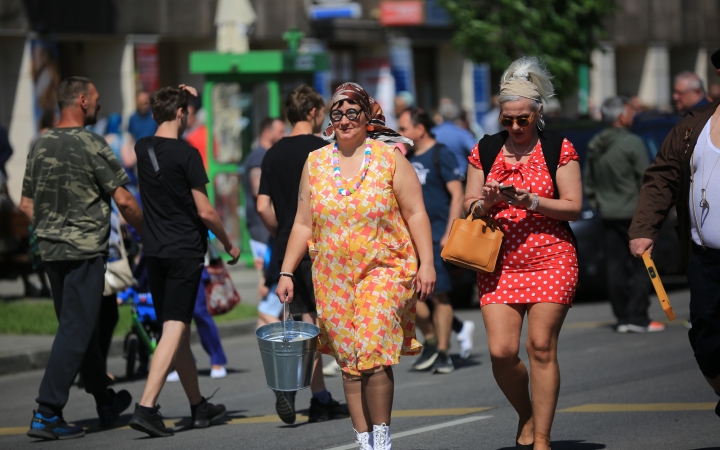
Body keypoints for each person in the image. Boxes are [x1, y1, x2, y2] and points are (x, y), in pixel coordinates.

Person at [275, 82, 436, 449]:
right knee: (349, 361)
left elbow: (416, 213)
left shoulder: (389, 158)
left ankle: (382, 436)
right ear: (329, 121)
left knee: (374, 349)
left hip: (384, 269)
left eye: (352, 112)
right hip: (332, 276)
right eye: (338, 113)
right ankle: (363, 439)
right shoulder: (315, 162)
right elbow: (302, 223)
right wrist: (286, 271)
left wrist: (427, 263)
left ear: (367, 116)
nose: (345, 119)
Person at [463, 56, 582, 450]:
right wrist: (487, 204)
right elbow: (468, 205)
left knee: (541, 346)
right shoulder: (485, 150)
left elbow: (574, 206)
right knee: (500, 352)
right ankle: (526, 414)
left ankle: (542, 438)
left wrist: (533, 201)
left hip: (551, 256)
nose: (514, 127)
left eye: (522, 120)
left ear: (538, 114)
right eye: (506, 120)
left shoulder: (557, 148)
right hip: (498, 261)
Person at [19, 76, 143, 440]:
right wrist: (147, 234)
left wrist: (50, 229)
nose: (101, 106)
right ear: (83, 101)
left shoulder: (39, 144)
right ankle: (47, 411)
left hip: (51, 251)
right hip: (85, 251)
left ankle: (104, 401)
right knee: (76, 328)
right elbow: (124, 199)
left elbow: (26, 204)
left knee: (80, 325)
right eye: (98, 99)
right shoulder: (92, 143)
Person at [128, 84, 240, 437]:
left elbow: (165, 112)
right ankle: (146, 407)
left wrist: (176, 92)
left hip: (155, 252)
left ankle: (198, 405)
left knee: (175, 331)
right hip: (183, 252)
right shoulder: (188, 155)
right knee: (175, 327)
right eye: (187, 110)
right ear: (181, 114)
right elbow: (205, 211)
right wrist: (228, 244)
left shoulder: (142, 148)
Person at [630, 48, 720, 420]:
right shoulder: (692, 125)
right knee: (706, 340)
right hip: (706, 258)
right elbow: (662, 176)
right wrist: (644, 228)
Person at [256, 85, 349, 424]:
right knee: (324, 322)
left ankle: (319, 395)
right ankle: (309, 391)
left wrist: (281, 232)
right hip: (323, 245)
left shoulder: (272, 153)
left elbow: (261, 204)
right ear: (313, 113)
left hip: (287, 247)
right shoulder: (325, 150)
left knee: (305, 321)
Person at [398, 107, 475, 373]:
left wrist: (450, 231)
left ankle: (443, 351)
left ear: (420, 129)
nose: (401, 133)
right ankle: (430, 342)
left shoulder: (440, 153)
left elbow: (457, 194)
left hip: (437, 237)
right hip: (411, 241)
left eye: (405, 128)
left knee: (440, 296)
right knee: (409, 297)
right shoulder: (405, 158)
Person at [584, 96, 664, 333]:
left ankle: (622, 317)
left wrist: (600, 203)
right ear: (621, 116)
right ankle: (638, 316)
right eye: (630, 112)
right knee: (641, 265)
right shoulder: (632, 143)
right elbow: (647, 180)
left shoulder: (596, 143)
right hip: (633, 214)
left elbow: (589, 181)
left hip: (607, 214)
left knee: (615, 266)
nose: (633, 116)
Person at [432, 98, 477, 178]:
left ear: (441, 115)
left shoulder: (432, 133)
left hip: (438, 178)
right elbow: (476, 151)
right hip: (460, 176)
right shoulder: (462, 133)